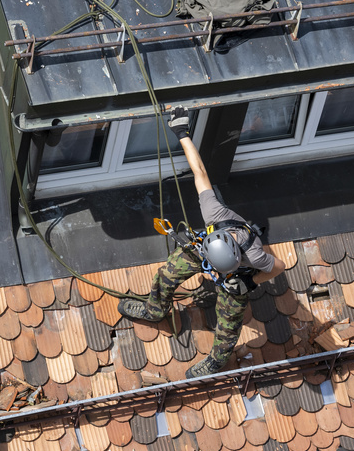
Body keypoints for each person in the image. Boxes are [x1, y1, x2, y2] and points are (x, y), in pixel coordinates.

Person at [118, 107, 286, 379]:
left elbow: (279, 266)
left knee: (229, 322)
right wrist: (182, 133)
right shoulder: (214, 213)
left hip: (238, 276)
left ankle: (217, 360)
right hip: (204, 249)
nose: (210, 276)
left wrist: (249, 282)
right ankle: (155, 308)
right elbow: (200, 172)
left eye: (213, 273)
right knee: (167, 273)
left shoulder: (254, 257)